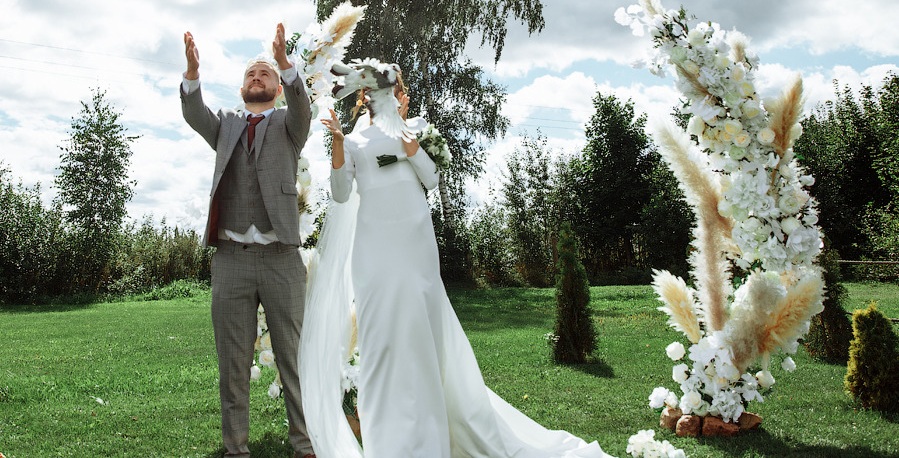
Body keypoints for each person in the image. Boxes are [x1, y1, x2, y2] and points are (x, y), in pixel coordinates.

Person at [301, 75, 614, 458]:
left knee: (420, 331)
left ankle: (430, 438)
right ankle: (388, 443)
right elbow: (340, 192)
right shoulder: (352, 141)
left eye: (389, 87)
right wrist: (336, 141)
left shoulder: (418, 127)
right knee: (380, 338)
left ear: (401, 94)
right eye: (373, 89)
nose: (380, 94)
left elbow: (432, 179)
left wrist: (403, 134)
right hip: (373, 248)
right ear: (364, 96)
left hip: (414, 243)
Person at [181, 24, 315, 458]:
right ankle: (235, 449)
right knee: (233, 364)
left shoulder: (290, 126)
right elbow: (194, 113)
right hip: (232, 260)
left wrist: (284, 63)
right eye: (251, 74)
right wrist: (193, 73)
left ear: (276, 87)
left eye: (265, 75)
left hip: (281, 259)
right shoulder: (226, 126)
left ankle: (305, 443)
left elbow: (303, 109)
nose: (257, 78)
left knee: (293, 358)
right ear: (242, 88)